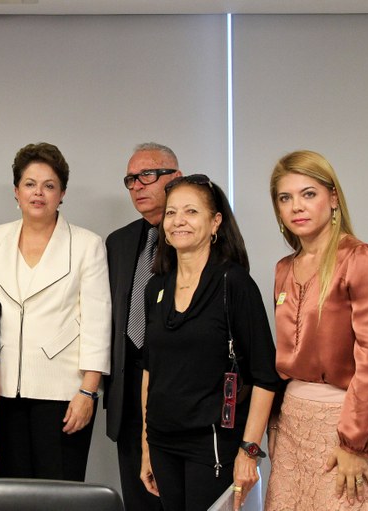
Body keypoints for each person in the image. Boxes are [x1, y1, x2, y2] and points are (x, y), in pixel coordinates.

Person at [0, 142, 111, 481]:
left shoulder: (88, 244)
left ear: (62, 193)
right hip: (2, 388)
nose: (38, 193)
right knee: (10, 493)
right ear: (16, 191)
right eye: (29, 184)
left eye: (49, 185)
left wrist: (88, 391)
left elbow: (98, 322)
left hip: (64, 392)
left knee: (60, 494)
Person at [139, 174, 281, 511]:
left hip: (212, 444)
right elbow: (150, 371)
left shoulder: (235, 284)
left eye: (191, 212)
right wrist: (145, 445)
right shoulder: (156, 287)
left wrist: (249, 450)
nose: (178, 221)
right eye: (171, 213)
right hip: (161, 442)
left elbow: (265, 376)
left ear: (215, 221)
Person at [264, 150, 368, 510]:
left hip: (344, 429)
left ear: (333, 198)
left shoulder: (362, 260)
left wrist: (356, 445)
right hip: (291, 429)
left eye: (309, 194)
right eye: (285, 198)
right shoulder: (283, 269)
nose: (296, 207)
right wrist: (274, 426)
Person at [105, 142, 181, 511]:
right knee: (137, 499)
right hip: (127, 389)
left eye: (147, 175)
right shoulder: (119, 242)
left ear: (176, 178)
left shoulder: (197, 239)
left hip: (176, 389)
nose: (137, 185)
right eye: (131, 179)